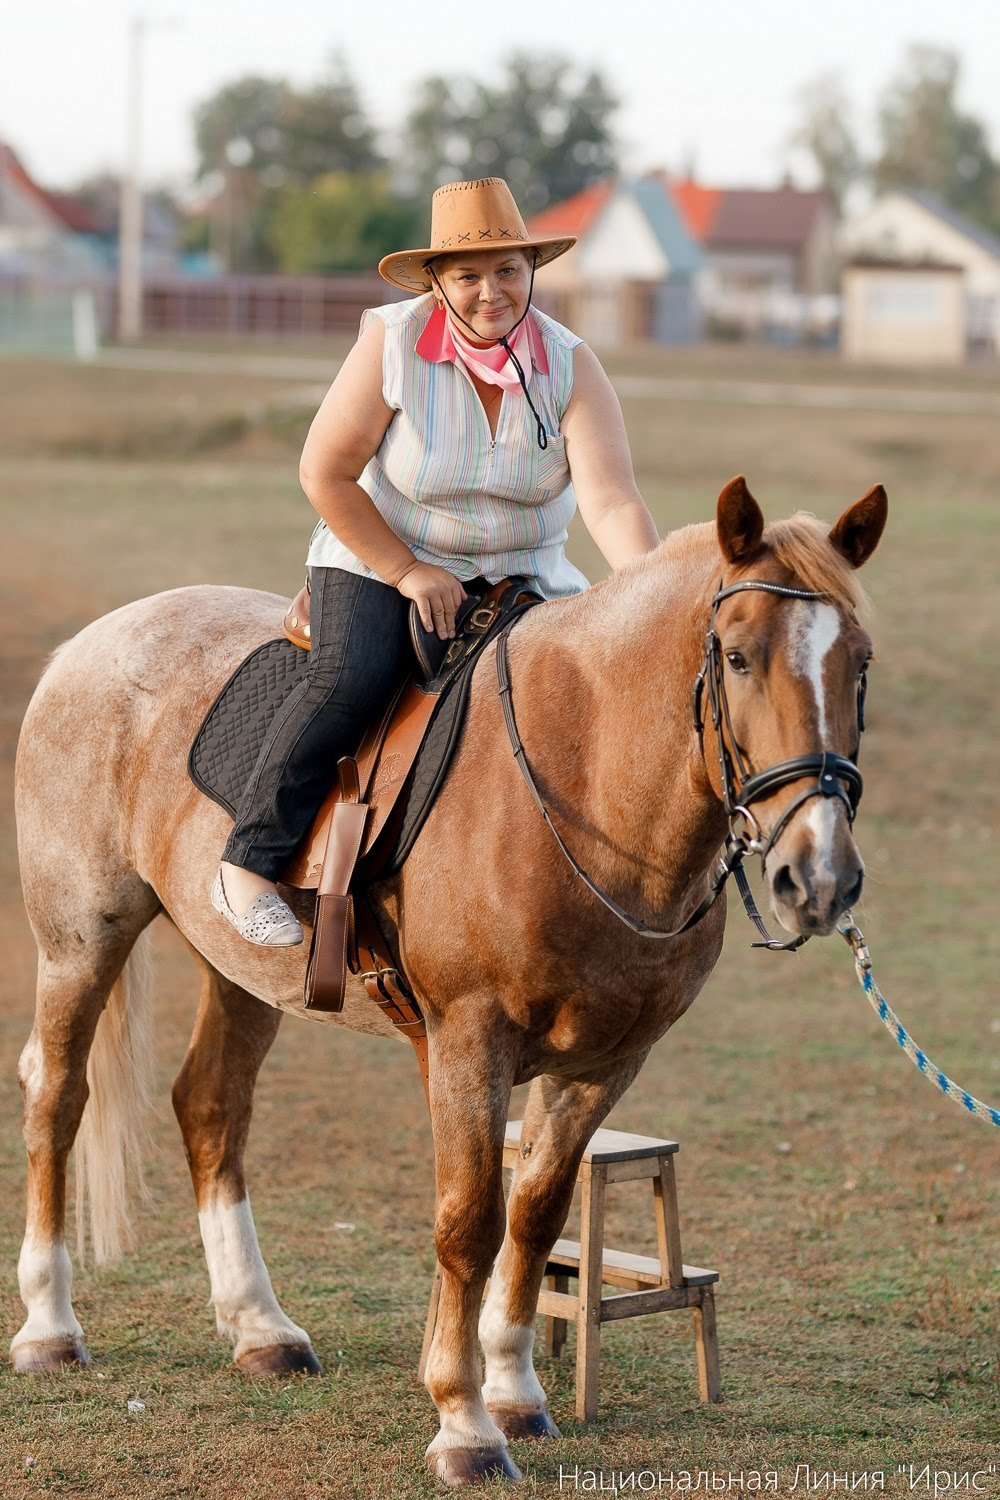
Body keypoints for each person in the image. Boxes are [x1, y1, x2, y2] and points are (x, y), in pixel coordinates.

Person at [212, 176, 660, 946]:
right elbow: (326, 473)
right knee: (350, 679)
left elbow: (612, 501)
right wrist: (407, 572)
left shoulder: (571, 364)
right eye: (468, 276)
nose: (493, 292)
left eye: (509, 271)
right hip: (385, 554)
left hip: (523, 572)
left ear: (532, 271)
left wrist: (654, 598)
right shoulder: (390, 342)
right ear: (435, 282)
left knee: (580, 702)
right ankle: (249, 861)